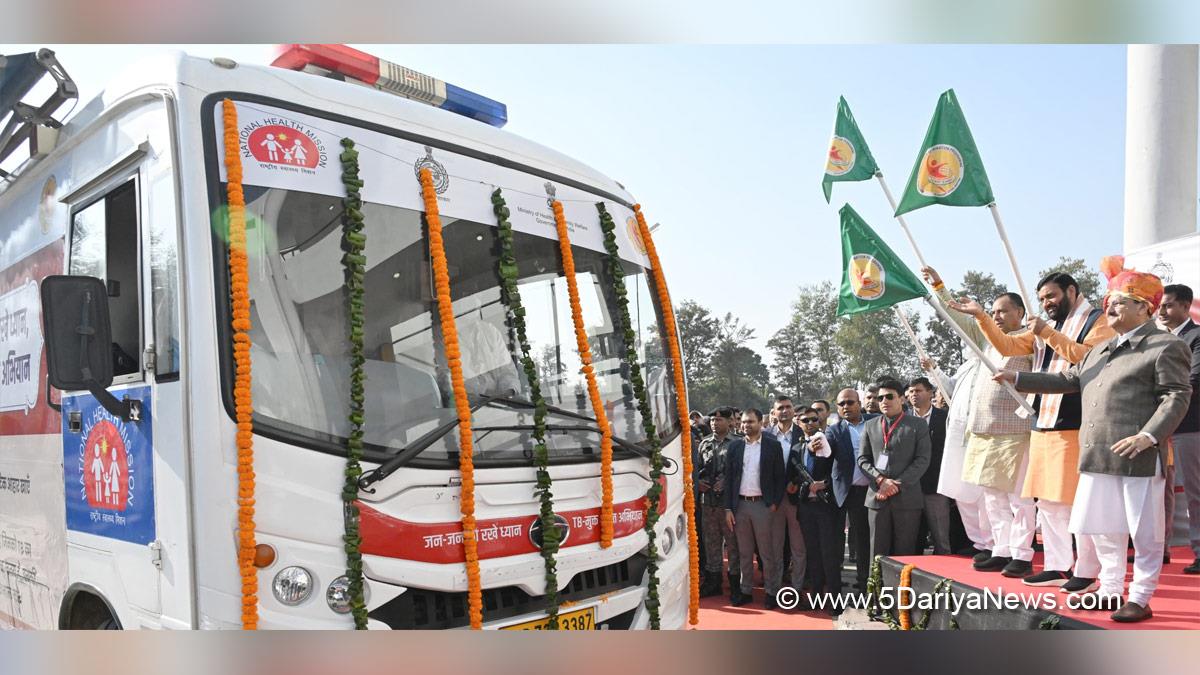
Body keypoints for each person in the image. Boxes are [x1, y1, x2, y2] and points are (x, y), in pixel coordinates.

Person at [997, 264, 1191, 622]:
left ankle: (1141, 595)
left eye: (1121, 301)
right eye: (1109, 300)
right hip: (1096, 452)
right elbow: (1069, 379)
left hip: (1139, 455)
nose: (1111, 307)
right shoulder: (1101, 350)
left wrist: (1148, 435)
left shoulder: (1166, 345)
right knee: (1102, 526)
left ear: (1146, 309)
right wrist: (1018, 377)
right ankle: (1110, 589)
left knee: (1144, 531)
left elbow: (1176, 396)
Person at [947, 271, 1114, 589]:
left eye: (1051, 296)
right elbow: (1008, 346)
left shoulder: (1097, 320)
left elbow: (1089, 361)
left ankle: (1089, 571)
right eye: (1041, 299)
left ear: (1071, 291)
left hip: (1077, 422)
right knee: (1049, 503)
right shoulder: (1044, 328)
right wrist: (982, 316)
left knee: (1077, 503)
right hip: (1043, 423)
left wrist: (1047, 333)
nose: (1047, 303)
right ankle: (1057, 565)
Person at [923, 354, 995, 561]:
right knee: (962, 492)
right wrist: (934, 369)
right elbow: (950, 389)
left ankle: (993, 544)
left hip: (984, 432)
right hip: (959, 434)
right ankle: (979, 542)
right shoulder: (968, 363)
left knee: (984, 495)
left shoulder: (997, 358)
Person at [858, 378, 931, 558]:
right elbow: (862, 459)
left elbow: (922, 459)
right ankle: (876, 588)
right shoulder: (870, 425)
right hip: (877, 497)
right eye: (880, 398)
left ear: (902, 398)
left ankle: (902, 587)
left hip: (907, 499)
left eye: (889, 396)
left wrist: (897, 484)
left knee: (904, 554)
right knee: (877, 553)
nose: (884, 401)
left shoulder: (918, 425)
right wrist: (881, 480)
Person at [724, 408, 787, 608]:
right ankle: (745, 590)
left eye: (750, 422)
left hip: (764, 506)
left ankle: (771, 591)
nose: (746, 425)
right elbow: (728, 479)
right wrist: (728, 508)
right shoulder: (734, 447)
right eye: (743, 422)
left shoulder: (772, 446)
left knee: (767, 552)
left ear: (760, 423)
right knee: (745, 552)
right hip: (740, 506)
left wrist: (774, 503)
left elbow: (780, 477)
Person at [1158, 284, 1200, 574]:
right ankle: (1158, 549)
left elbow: (1194, 380)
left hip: (1189, 425)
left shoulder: (1196, 336)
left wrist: (1160, 399)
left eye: (1168, 305)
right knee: (1158, 492)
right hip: (1157, 428)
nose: (1162, 311)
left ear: (1186, 307)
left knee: (1195, 492)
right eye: (1160, 305)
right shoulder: (1157, 340)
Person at [793, 408, 845, 613]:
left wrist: (825, 484)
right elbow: (794, 475)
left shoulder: (830, 443)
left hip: (827, 507)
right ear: (800, 423)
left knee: (829, 555)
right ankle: (816, 597)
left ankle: (835, 601)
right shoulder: (797, 448)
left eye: (815, 419)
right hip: (806, 507)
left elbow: (839, 471)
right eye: (806, 420)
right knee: (813, 554)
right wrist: (805, 485)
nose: (811, 423)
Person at [828, 388, 878, 590]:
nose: (846, 407)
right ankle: (835, 582)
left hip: (872, 490)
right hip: (845, 491)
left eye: (850, 402)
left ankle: (866, 580)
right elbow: (826, 455)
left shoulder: (875, 422)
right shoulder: (834, 430)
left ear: (860, 403)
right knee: (839, 539)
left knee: (865, 539)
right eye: (841, 404)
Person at [765, 396, 807, 599]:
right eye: (780, 408)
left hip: (795, 499)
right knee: (774, 547)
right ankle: (773, 590)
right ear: (774, 412)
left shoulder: (803, 434)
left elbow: (809, 464)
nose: (785, 411)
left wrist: (797, 482)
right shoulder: (765, 436)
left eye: (788, 407)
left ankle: (796, 590)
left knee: (798, 548)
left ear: (793, 411)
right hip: (773, 500)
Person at [697, 408, 740, 599]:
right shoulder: (704, 443)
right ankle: (713, 582)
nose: (715, 423)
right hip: (708, 503)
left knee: (733, 543)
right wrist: (699, 483)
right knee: (711, 542)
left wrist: (727, 481)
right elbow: (696, 469)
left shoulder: (737, 443)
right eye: (713, 420)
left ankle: (735, 582)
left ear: (729, 422)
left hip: (729, 503)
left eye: (719, 420)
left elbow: (743, 471)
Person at [907, 376, 951, 555]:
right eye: (910, 392)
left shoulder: (945, 418)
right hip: (909, 488)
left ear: (930, 392)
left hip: (936, 487)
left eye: (918, 390)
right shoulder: (902, 419)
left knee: (941, 538)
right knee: (910, 538)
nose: (913, 395)